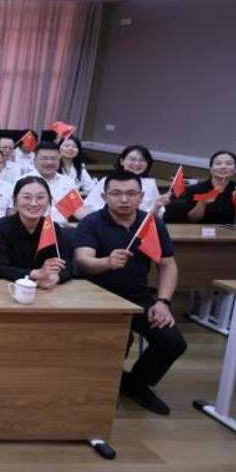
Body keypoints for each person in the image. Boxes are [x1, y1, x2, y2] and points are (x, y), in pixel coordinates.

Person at [75, 170, 185, 415]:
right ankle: (102, 387)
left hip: (138, 297)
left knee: (172, 342)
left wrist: (163, 302)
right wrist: (106, 262)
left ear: (141, 196)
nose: (124, 199)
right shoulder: (91, 222)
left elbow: (167, 265)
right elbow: (83, 260)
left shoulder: (151, 224)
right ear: (104, 196)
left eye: (131, 193)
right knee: (120, 341)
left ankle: (136, 383)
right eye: (116, 193)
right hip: (98, 298)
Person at [0, 176, 72, 289]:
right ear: (15, 199)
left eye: (40, 197)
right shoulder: (1, 228)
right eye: (27, 197)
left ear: (49, 200)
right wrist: (34, 273)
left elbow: (66, 265)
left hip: (43, 290)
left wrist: (56, 277)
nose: (34, 203)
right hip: (5, 289)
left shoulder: (52, 228)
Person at [165, 150, 236, 225]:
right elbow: (193, 219)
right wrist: (202, 203)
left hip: (227, 232)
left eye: (229, 164)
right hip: (201, 231)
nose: (223, 167)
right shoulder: (196, 189)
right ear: (211, 168)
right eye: (218, 163)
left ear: (235, 169)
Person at [84, 144, 171, 216]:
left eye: (142, 160)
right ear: (122, 161)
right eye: (132, 159)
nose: (137, 164)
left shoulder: (150, 184)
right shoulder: (108, 181)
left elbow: (154, 216)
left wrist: (157, 206)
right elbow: (90, 208)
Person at [22, 141, 88, 222]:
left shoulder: (67, 182)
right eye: (44, 158)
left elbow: (78, 210)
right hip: (33, 227)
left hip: (61, 227)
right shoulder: (23, 182)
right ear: (34, 160)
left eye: (54, 158)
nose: (49, 162)